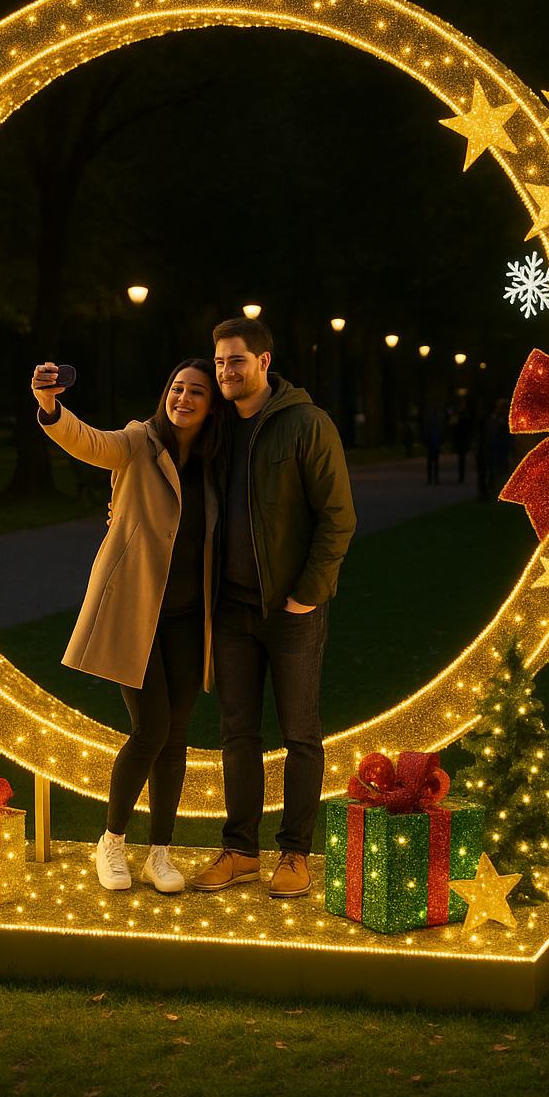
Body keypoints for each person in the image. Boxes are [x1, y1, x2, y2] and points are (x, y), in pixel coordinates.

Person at [32, 357, 222, 895]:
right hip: (135, 611)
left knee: (178, 733)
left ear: (211, 406)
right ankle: (111, 840)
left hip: (189, 617)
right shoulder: (140, 442)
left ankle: (159, 852)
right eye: (177, 388)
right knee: (152, 729)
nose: (183, 398)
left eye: (196, 393)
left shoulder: (214, 460)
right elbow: (90, 442)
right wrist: (50, 406)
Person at [191, 317, 356, 900]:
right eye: (218, 362)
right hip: (230, 611)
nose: (226, 372)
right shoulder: (212, 427)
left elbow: (338, 517)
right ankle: (239, 851)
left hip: (292, 610)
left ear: (264, 361)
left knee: (300, 734)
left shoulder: (306, 424)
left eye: (236, 360)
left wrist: (306, 594)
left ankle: (295, 854)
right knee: (236, 733)